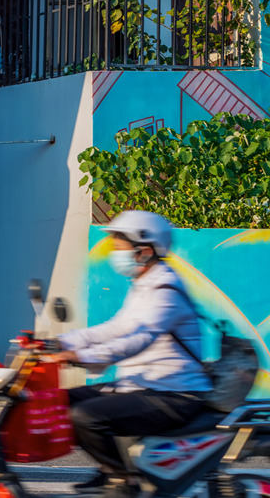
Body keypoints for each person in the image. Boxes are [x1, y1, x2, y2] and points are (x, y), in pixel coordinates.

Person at [50, 210, 212, 495]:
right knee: (59, 401)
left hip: (175, 394)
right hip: (144, 385)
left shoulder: (165, 290)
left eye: (120, 246)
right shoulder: (144, 285)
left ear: (145, 251)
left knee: (86, 416)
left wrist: (80, 357)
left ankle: (125, 481)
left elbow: (139, 339)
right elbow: (116, 328)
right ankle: (110, 470)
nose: (115, 253)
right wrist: (60, 342)